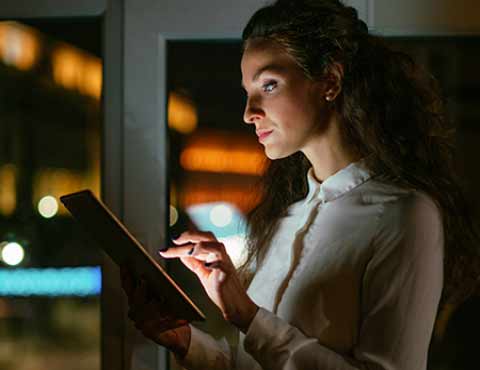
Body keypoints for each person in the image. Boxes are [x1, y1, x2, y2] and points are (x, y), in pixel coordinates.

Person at [120, 0, 480, 369]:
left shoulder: (405, 215)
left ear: (330, 81)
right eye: (247, 92)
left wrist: (246, 314)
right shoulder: (285, 218)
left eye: (269, 85)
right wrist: (185, 342)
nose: (249, 112)